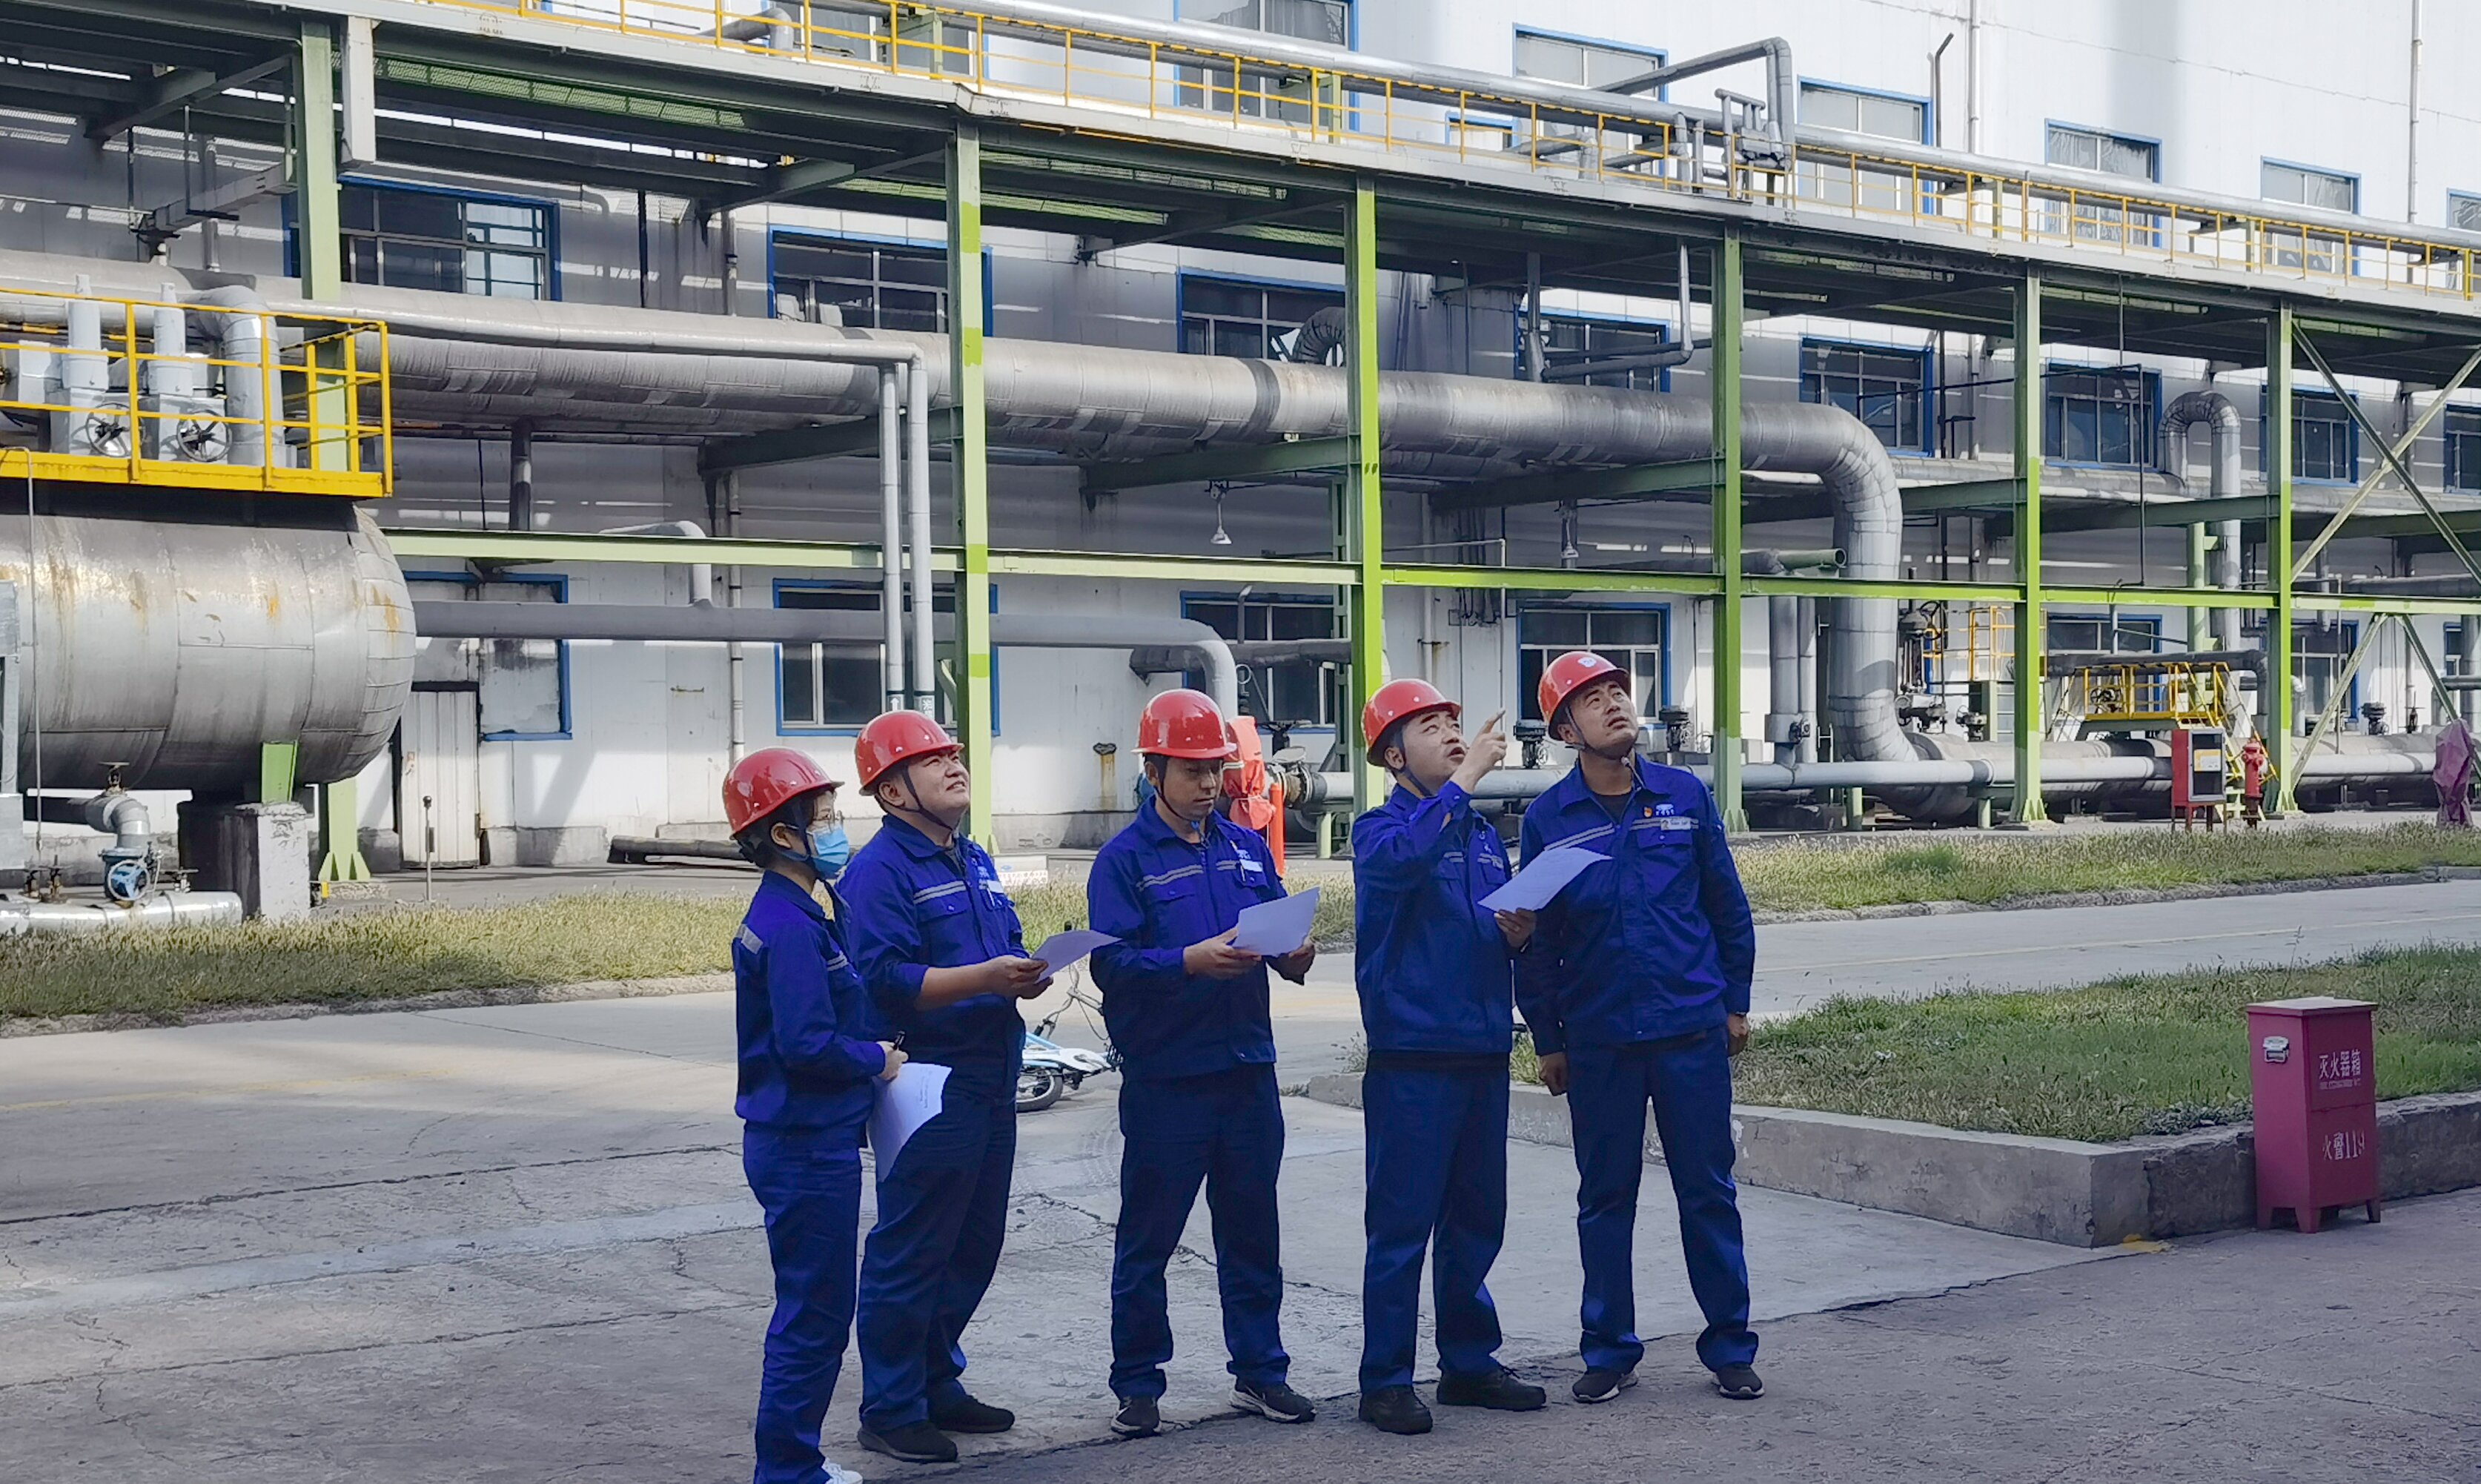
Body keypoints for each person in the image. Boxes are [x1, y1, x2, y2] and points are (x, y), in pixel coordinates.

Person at [1514, 652, 1763, 1406]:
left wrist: (1734, 1001)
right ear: (1565, 731)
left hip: (1689, 1029)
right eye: (1591, 699)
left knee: (1707, 1192)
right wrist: (1547, 1038)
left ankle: (1729, 1347)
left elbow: (1726, 906)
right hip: (1600, 1039)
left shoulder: (1685, 795)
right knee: (1604, 1198)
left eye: (1618, 691)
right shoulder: (1548, 820)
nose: (1614, 704)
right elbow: (1538, 940)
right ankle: (1608, 1350)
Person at [1086, 688, 1319, 1439]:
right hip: (1168, 1078)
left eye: (1215, 769)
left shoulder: (1245, 846)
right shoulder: (1123, 861)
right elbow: (1110, 965)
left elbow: (1277, 935)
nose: (1208, 783)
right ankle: (1136, 1384)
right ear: (1153, 771)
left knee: (1251, 1231)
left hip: (1246, 1067)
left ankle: (1260, 1371)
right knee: (1148, 1237)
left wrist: (1294, 955)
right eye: (1191, 770)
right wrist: (1186, 961)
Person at [836, 711, 1050, 1464]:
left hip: (991, 1070)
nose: (955, 766)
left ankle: (934, 1380)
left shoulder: (971, 856)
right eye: (932, 761)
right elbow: (883, 979)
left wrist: (1021, 971)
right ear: (893, 791)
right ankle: (891, 1406)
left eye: (954, 754)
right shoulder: (878, 872)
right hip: (928, 1077)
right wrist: (985, 979)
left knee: (973, 1242)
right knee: (915, 1244)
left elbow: (998, 946)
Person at [1348, 679, 1550, 1436]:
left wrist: (1518, 932)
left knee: (1475, 1219)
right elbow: (1402, 863)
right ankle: (1384, 1381)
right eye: (1430, 727)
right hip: (1413, 1055)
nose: (1452, 735)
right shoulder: (1378, 830)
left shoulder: (1477, 835)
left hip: (1480, 1046)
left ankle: (1467, 1363)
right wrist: (1464, 781)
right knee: (1401, 1225)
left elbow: (1487, 925)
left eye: (1452, 724)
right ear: (1393, 756)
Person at [723, 747, 904, 1484]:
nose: (836, 829)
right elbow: (805, 1044)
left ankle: (793, 1460)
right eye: (823, 818)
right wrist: (874, 1059)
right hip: (804, 1145)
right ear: (782, 834)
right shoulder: (790, 925)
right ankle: (789, 1470)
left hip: (801, 1139)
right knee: (815, 1316)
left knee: (814, 1309)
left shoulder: (798, 909)